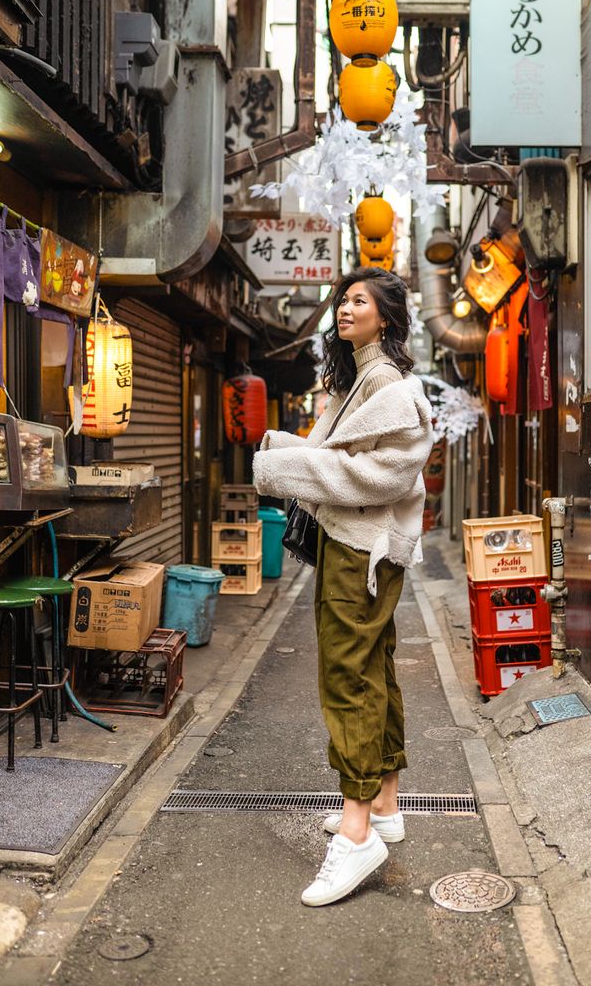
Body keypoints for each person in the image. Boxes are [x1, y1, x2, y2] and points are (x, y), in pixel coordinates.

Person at [252, 266, 434, 907]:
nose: (345, 308)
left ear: (386, 316)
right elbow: (345, 461)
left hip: (362, 551)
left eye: (359, 300)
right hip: (357, 546)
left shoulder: (388, 385)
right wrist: (297, 455)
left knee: (347, 674)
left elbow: (384, 475)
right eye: (343, 299)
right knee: (374, 665)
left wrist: (286, 464)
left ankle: (357, 834)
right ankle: (382, 803)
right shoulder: (357, 378)